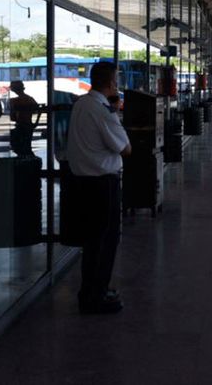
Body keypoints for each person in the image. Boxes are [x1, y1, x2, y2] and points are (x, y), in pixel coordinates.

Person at [66, 61, 131, 314]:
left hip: (83, 183)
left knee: (93, 241)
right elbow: (126, 148)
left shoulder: (81, 104)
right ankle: (95, 295)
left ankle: (91, 290)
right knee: (105, 241)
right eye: (116, 80)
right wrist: (115, 114)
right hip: (102, 185)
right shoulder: (102, 111)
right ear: (111, 83)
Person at [8, 80, 39, 157]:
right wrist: (35, 123)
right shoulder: (30, 99)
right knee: (27, 147)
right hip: (28, 125)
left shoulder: (13, 101)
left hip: (20, 126)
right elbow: (38, 110)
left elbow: (12, 117)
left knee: (19, 148)